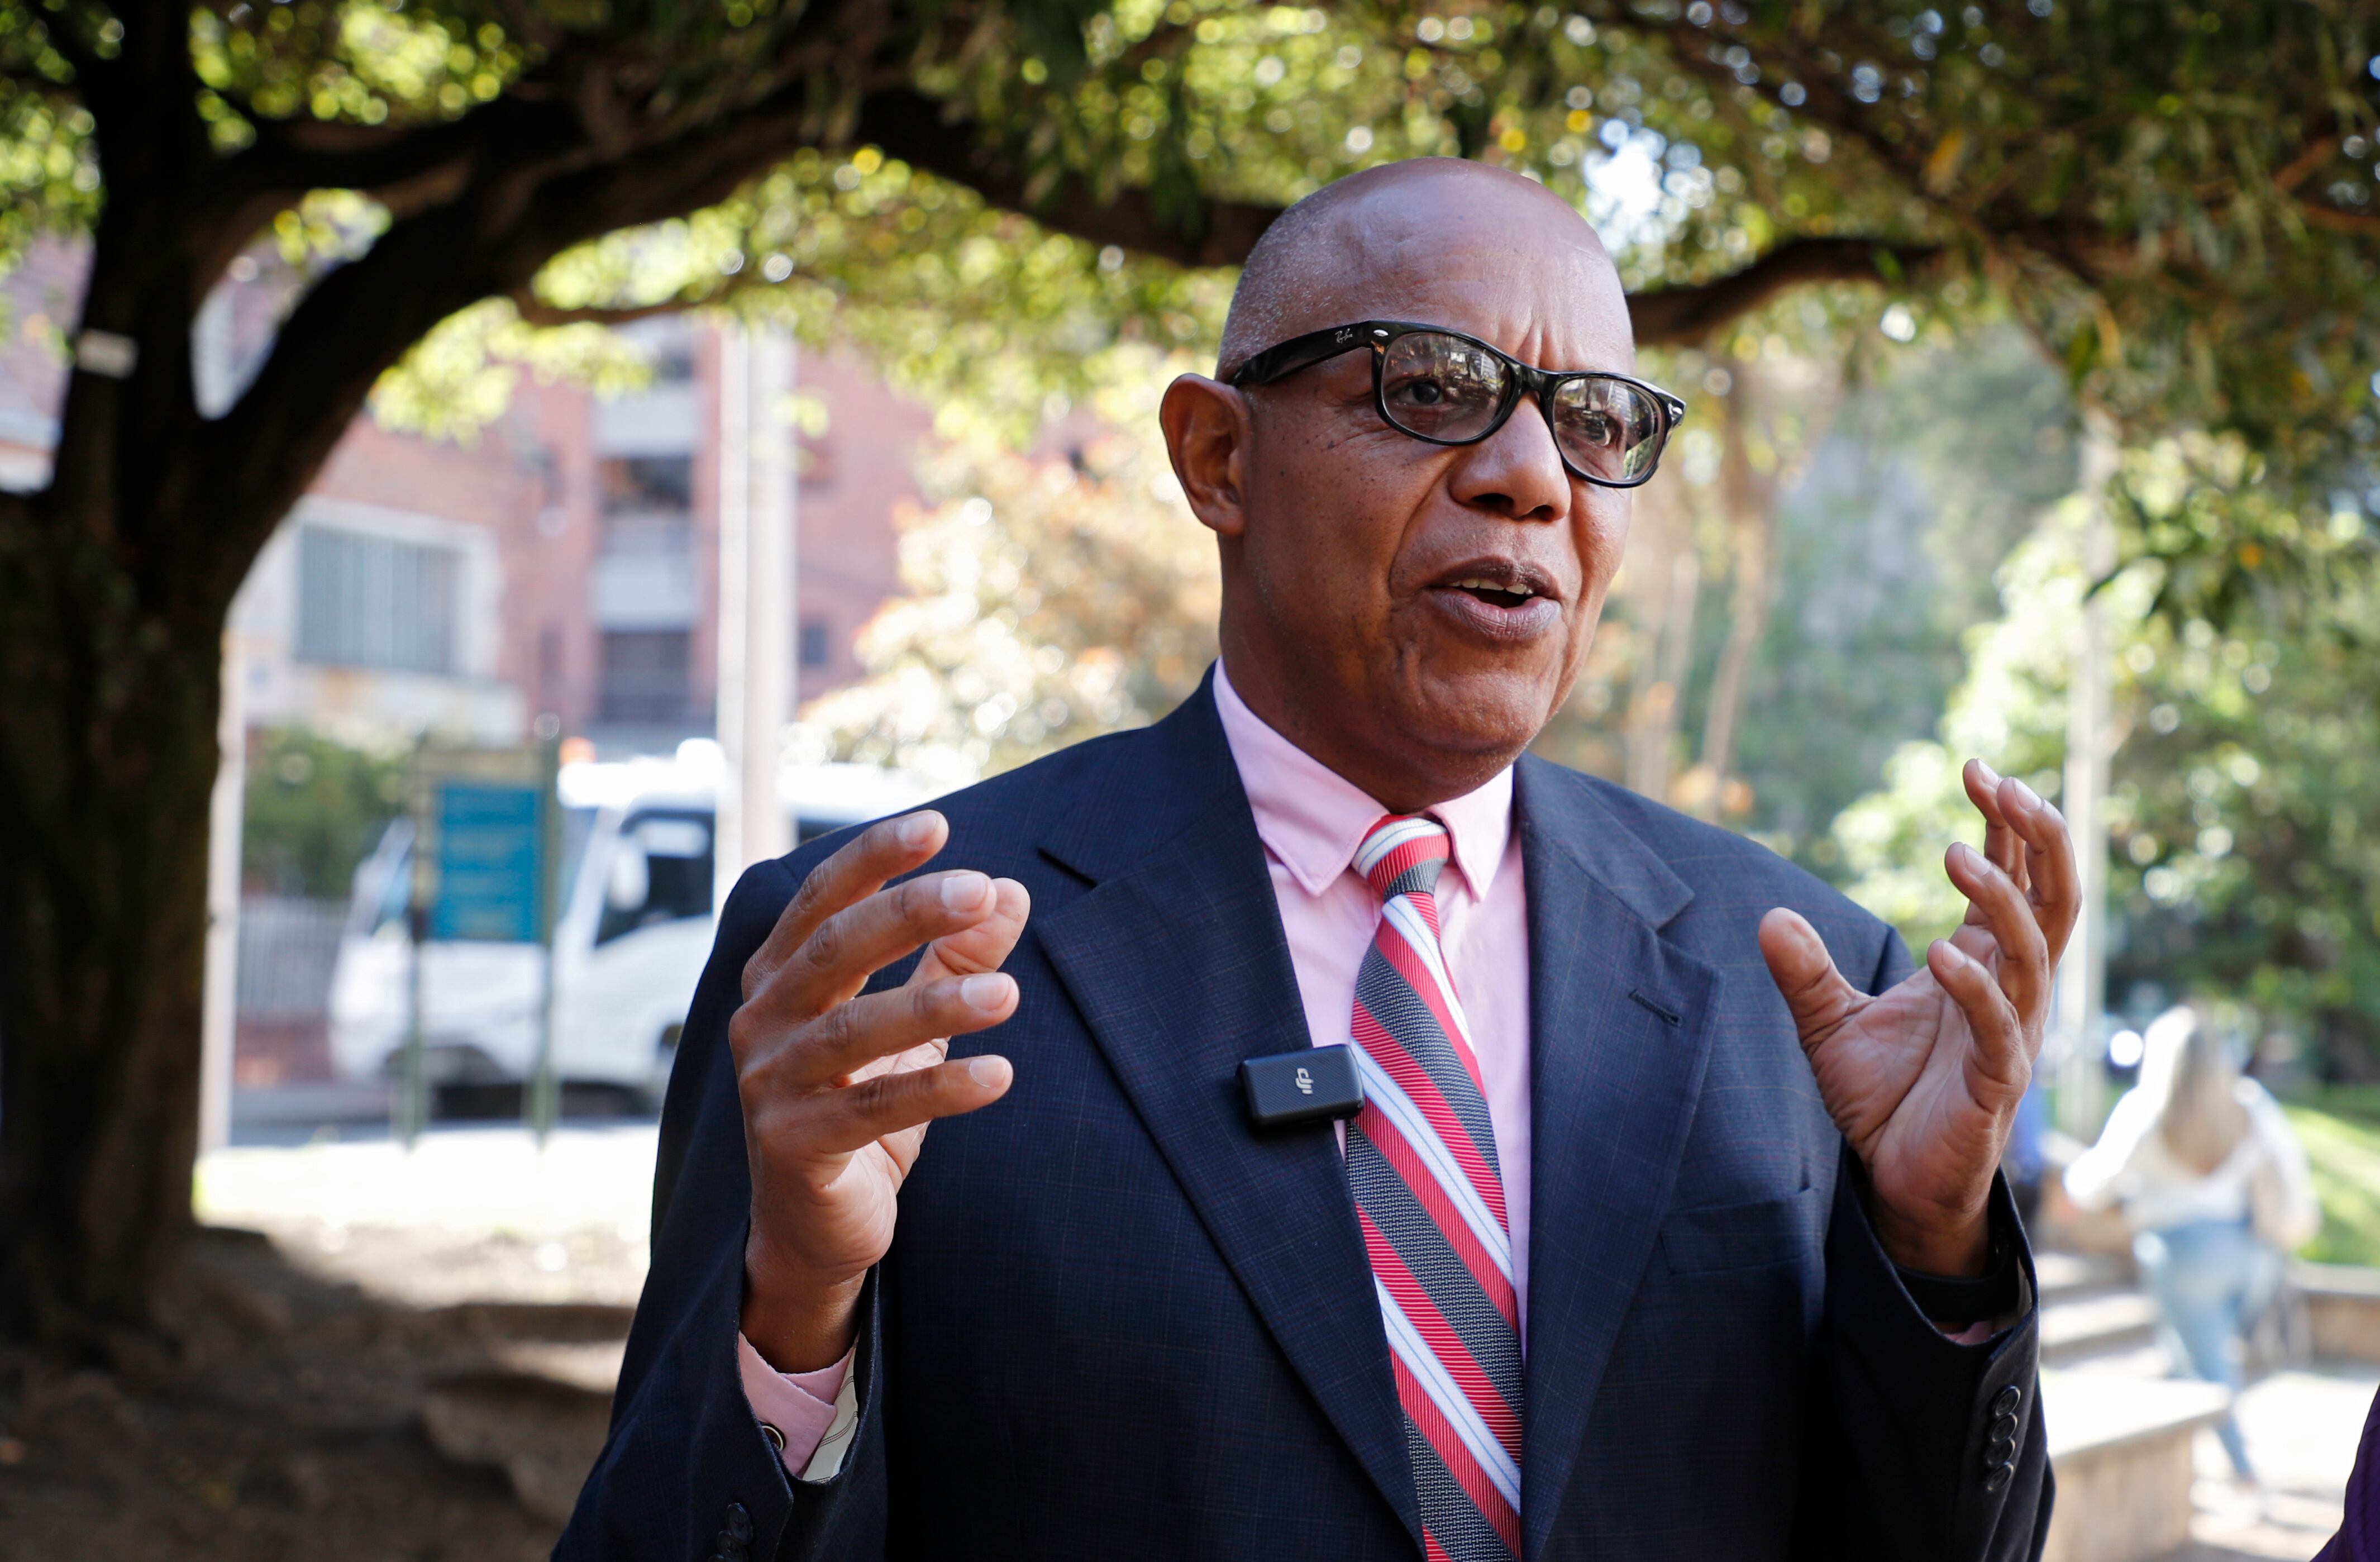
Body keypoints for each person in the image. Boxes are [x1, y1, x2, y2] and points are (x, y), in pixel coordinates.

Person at [560, 159, 2074, 1562]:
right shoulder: (890, 968)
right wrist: (797, 1311)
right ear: (1216, 455)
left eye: (1596, 423)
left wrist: (1932, 1252)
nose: (1531, 476)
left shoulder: (1807, 985)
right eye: (1433, 388)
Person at [2063, 1003, 2319, 1481]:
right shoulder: (2248, 1103)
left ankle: (2243, 1474)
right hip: (2248, 1255)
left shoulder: (2144, 1108)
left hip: (2179, 1257)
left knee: (2205, 1368)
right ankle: (2188, 1473)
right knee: (2196, 1359)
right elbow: (2291, 1167)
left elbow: (2089, 1187)